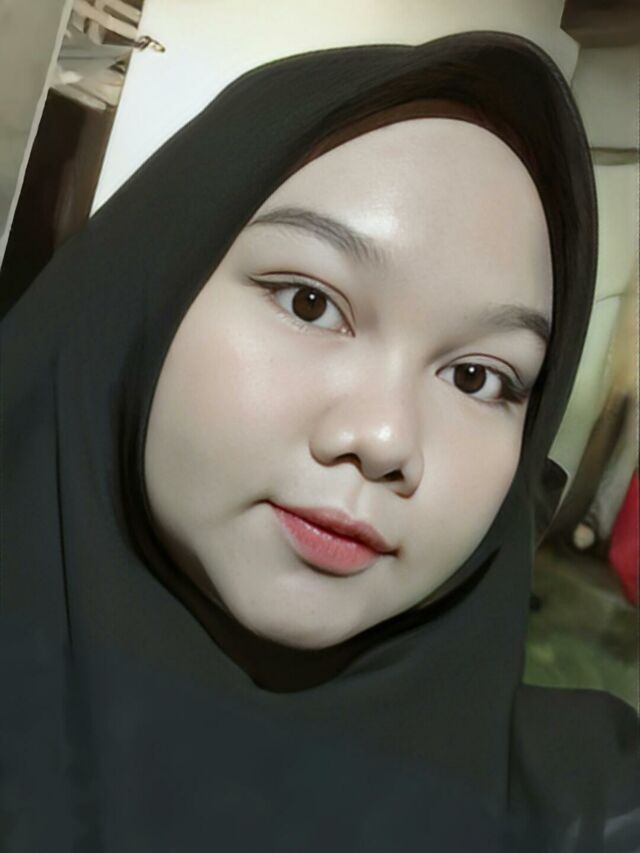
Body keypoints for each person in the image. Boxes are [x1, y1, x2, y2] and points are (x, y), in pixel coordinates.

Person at [1, 31, 637, 852]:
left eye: (478, 378)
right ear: (146, 296)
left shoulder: (588, 807)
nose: (384, 438)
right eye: (309, 302)